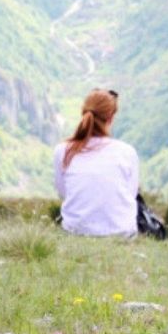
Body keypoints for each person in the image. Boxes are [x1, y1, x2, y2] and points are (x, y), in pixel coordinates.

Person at [52, 88, 138, 237]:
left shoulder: (63, 151)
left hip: (76, 233)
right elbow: (130, 194)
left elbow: (63, 191)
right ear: (111, 118)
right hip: (121, 234)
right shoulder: (127, 152)